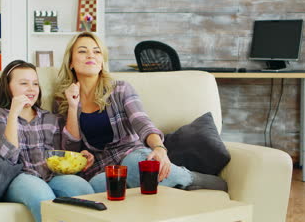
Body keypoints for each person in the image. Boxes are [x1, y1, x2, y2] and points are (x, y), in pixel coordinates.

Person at [54, 32, 227, 193]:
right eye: (83, 51)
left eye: (97, 52)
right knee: (97, 185)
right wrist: (72, 106)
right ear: (71, 62)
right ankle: (170, 185)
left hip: (131, 156)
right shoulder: (64, 99)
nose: (91, 55)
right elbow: (71, 150)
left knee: (138, 164)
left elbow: (142, 122)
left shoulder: (120, 89)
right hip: (103, 168)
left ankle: (190, 178)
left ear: (102, 61)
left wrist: (159, 148)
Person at [0, 60, 94, 222]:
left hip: (52, 175)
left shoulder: (49, 117)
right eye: (24, 83)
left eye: (35, 84)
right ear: (7, 87)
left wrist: (73, 107)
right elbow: (7, 156)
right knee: (44, 198)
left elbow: (68, 149)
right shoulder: (0, 114)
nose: (31, 89)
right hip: (21, 178)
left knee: (82, 188)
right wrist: (14, 114)